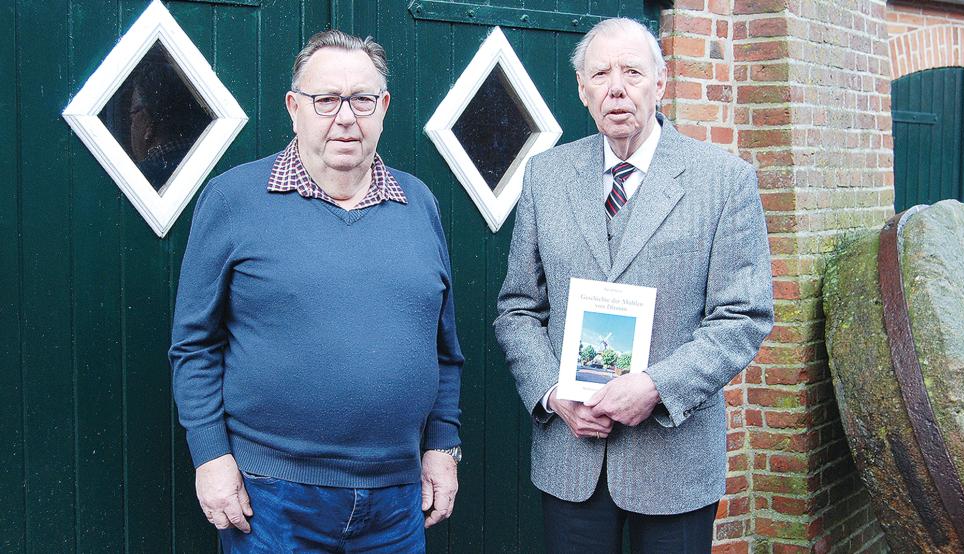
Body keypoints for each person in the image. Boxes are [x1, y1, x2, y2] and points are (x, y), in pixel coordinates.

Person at [169, 29, 464, 553]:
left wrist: (443, 443)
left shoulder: (420, 205)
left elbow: (444, 351)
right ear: (293, 107)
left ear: (384, 106)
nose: (345, 116)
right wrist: (210, 457)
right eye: (325, 100)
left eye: (362, 99)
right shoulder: (234, 199)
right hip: (270, 500)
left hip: (397, 499)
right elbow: (194, 344)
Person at [494, 17, 773, 553]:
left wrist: (656, 387)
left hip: (675, 461)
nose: (616, 87)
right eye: (600, 74)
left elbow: (743, 316)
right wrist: (553, 394)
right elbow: (519, 308)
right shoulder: (546, 176)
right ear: (582, 90)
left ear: (660, 83)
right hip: (572, 458)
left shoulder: (723, 179)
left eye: (632, 72)